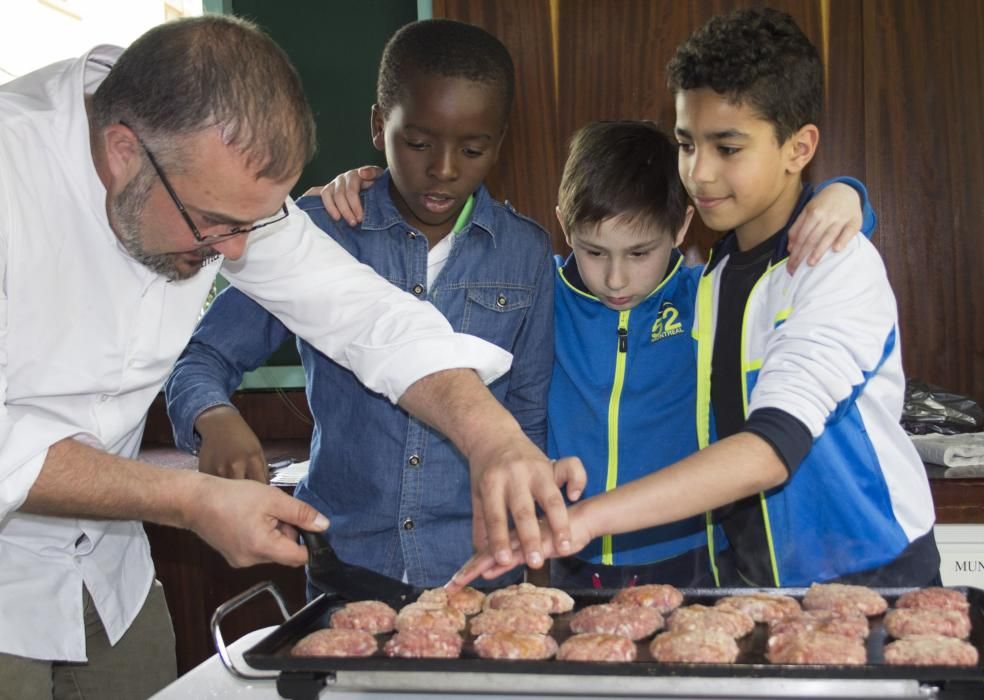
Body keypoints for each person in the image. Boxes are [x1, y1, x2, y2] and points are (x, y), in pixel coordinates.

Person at [0, 16, 580, 698]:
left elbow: (364, 314)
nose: (236, 252)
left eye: (253, 224)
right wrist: (189, 498)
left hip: (111, 578)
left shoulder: (205, 174)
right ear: (124, 151)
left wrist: (493, 437)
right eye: (213, 224)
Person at [449, 7, 939, 591]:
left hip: (873, 572)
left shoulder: (834, 263)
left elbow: (769, 449)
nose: (699, 173)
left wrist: (582, 520)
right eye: (687, 143)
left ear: (799, 147)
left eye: (728, 148)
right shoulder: (717, 276)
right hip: (756, 579)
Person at [165, 19, 564, 590]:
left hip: (477, 564)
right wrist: (214, 417)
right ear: (379, 126)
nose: (444, 168)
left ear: (499, 142)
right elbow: (199, 357)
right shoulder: (318, 233)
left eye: (472, 148)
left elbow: (526, 413)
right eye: (419, 143)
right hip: (346, 559)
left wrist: (525, 528)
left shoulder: (525, 252)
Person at [545, 120, 873, 589]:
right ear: (564, 224)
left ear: (681, 226)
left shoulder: (706, 295)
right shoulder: (540, 296)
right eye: (594, 252)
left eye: (639, 254)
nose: (615, 280)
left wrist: (847, 194)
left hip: (690, 549)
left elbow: (794, 251)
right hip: (572, 549)